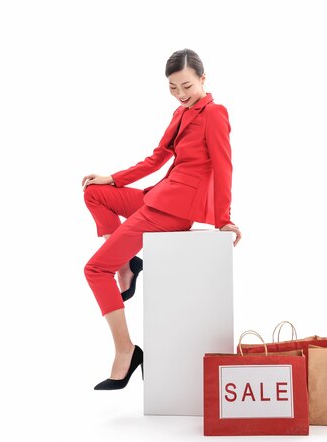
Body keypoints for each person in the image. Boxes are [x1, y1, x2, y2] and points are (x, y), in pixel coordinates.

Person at [82, 48, 242, 391]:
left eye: (186, 86)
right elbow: (157, 158)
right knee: (93, 193)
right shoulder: (180, 113)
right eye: (172, 87)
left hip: (174, 210)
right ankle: (127, 264)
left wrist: (223, 219)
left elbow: (224, 166)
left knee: (95, 270)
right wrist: (113, 178)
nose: (181, 94)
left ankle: (126, 351)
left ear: (203, 78)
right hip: (160, 194)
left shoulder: (215, 113)